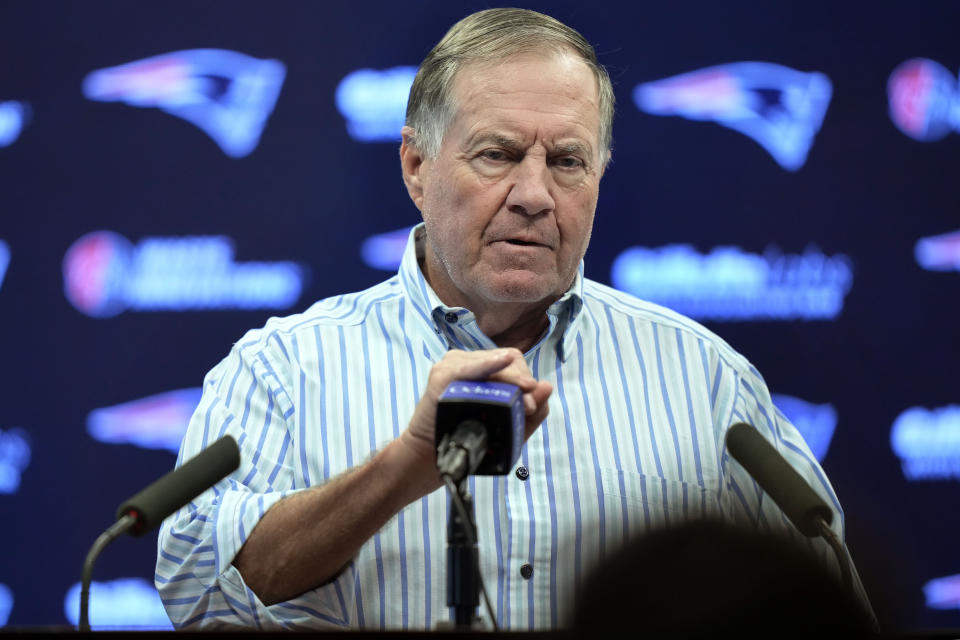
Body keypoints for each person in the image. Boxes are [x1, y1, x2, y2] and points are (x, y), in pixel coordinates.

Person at [155, 7, 871, 631]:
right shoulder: (283, 370)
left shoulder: (705, 378)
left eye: (567, 161)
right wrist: (402, 470)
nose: (533, 194)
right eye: (497, 155)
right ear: (415, 166)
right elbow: (196, 591)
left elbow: (824, 597)